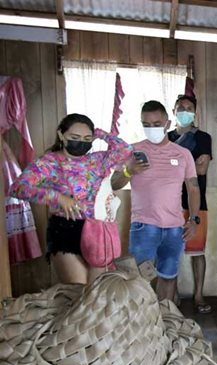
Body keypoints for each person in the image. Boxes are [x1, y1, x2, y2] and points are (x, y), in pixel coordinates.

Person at [10, 113, 132, 284]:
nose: (81, 142)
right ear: (61, 135)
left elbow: (126, 151)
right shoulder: (49, 162)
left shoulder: (97, 160)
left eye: (86, 138)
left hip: (97, 231)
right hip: (65, 230)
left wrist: (101, 134)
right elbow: (18, 188)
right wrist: (57, 197)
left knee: (96, 293)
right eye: (75, 137)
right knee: (77, 292)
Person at [111, 100, 201, 303]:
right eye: (146, 124)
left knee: (168, 278)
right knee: (139, 280)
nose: (152, 129)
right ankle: (142, 328)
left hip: (175, 228)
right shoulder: (131, 151)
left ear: (168, 124)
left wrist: (194, 220)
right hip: (144, 227)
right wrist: (129, 170)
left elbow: (193, 189)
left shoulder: (183, 154)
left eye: (157, 124)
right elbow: (114, 183)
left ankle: (163, 324)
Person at [168, 94, 214, 314]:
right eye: (180, 108)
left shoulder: (203, 137)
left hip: (197, 203)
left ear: (195, 112)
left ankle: (198, 296)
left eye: (189, 108)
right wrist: (188, 165)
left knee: (197, 251)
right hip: (167, 204)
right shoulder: (165, 138)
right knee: (170, 251)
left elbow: (202, 169)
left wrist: (174, 165)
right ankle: (172, 296)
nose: (184, 111)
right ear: (174, 111)